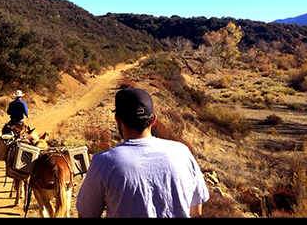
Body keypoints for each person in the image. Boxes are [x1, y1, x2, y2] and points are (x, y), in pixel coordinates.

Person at [76, 87, 209, 218]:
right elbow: (196, 210)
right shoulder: (182, 152)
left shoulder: (103, 163)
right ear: (154, 119)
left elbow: (86, 214)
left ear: (117, 120)